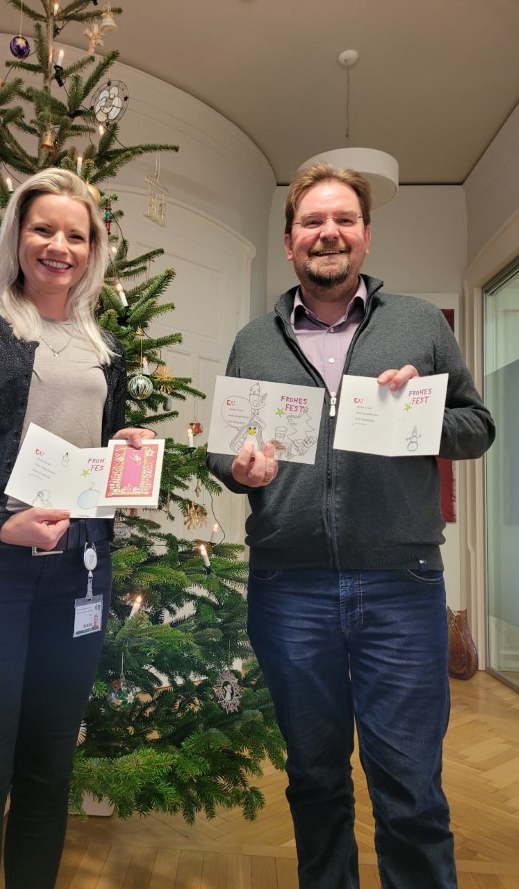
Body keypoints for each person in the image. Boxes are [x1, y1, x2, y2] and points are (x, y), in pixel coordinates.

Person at [207, 162, 495, 889]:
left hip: (401, 587)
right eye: (312, 221)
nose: (328, 232)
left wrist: (418, 413)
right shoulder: (254, 340)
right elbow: (224, 450)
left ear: (366, 236)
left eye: (343, 220)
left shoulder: (418, 324)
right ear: (289, 242)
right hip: (288, 589)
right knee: (313, 779)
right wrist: (237, 468)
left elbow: (477, 426)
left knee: (411, 789)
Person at [0, 167, 153, 889]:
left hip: (79, 571)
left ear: (93, 249)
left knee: (50, 774)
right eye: (43, 229)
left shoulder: (103, 346)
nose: (59, 246)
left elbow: (96, 450)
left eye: (75, 235)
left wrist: (126, 446)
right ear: (17, 237)